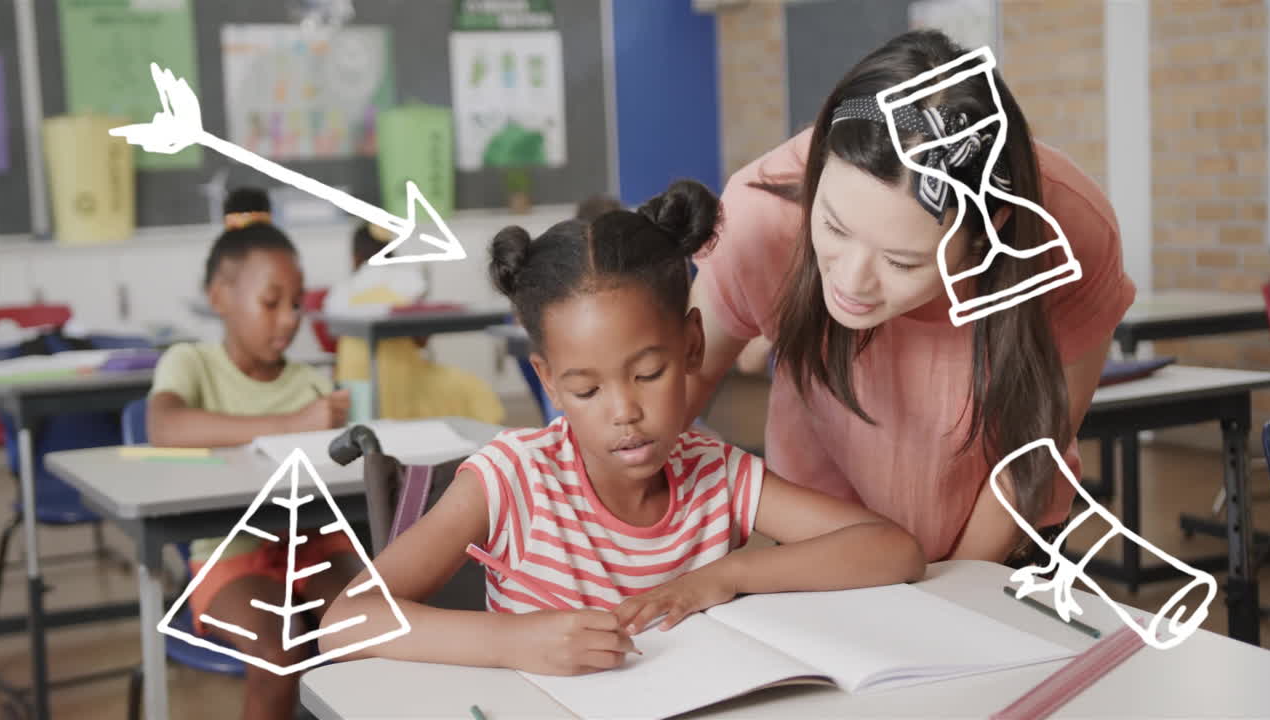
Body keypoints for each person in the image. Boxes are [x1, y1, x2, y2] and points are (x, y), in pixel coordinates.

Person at [319, 180, 924, 675]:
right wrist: (510, 642)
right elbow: (344, 623)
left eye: (650, 373)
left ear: (692, 344)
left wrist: (725, 575)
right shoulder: (511, 479)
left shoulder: (716, 474)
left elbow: (893, 550)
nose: (623, 412)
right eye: (586, 390)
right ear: (549, 382)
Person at [685, 30, 1135, 567]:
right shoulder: (760, 216)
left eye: (901, 262)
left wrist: (961, 591)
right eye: (832, 226)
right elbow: (668, 398)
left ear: (987, 234)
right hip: (825, 535)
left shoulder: (1070, 233)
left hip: (1001, 535)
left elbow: (1031, 453)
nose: (852, 281)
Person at [148, 223, 358, 720]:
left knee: (370, 634)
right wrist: (291, 425)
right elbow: (164, 426)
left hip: (316, 544)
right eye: (271, 302)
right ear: (220, 296)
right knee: (278, 651)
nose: (288, 318)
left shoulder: (311, 383)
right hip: (231, 555)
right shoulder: (191, 363)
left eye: (297, 303)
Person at [324, 222, 505, 423]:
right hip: (404, 380)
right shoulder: (408, 282)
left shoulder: (341, 291)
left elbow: (331, 338)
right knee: (473, 389)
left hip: (355, 385)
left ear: (355, 256)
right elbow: (421, 340)